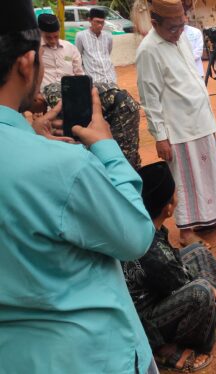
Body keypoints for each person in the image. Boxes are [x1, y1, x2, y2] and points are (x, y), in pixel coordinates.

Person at [0, 1, 157, 373]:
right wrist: (106, 146)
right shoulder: (63, 167)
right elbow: (134, 235)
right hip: (90, 356)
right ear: (26, 62)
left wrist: (29, 137)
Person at [123, 162, 216, 372]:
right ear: (168, 208)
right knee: (201, 293)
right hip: (144, 322)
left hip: (153, 291)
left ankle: (211, 311)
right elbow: (181, 279)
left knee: (199, 253)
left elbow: (176, 268)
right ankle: (168, 347)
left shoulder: (143, 223)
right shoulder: (155, 253)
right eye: (175, 194)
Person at [137, 0, 216, 248]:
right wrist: (160, 136)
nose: (179, 31)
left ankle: (209, 217)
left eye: (182, 25)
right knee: (185, 180)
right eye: (173, 28)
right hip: (178, 127)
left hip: (200, 118)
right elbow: (150, 97)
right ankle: (187, 231)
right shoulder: (148, 50)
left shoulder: (178, 37)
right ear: (155, 23)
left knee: (208, 170)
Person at [43, 81, 143, 169]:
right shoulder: (50, 93)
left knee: (124, 157)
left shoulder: (54, 99)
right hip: (106, 109)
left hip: (122, 107)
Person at [37, 13, 83, 92]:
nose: (53, 40)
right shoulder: (35, 50)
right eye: (48, 37)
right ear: (40, 33)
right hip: (44, 96)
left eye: (56, 36)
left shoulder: (70, 48)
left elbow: (79, 74)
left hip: (70, 93)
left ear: (59, 31)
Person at [75, 7, 117, 84]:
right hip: (94, 81)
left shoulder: (108, 36)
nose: (100, 25)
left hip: (110, 78)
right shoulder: (81, 36)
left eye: (102, 22)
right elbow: (78, 57)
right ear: (90, 20)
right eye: (97, 22)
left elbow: (107, 53)